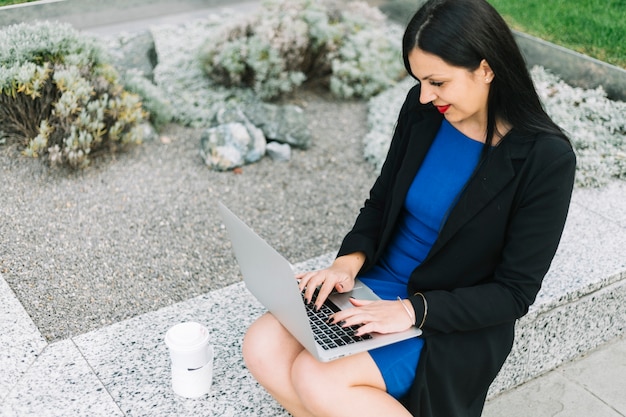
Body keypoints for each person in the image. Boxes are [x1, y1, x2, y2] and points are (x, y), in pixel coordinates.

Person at [242, 0, 576, 415]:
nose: (425, 94)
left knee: (317, 378)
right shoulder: (424, 112)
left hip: (448, 320)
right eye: (420, 80)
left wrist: (412, 311)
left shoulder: (545, 158)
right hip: (376, 283)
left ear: (486, 70)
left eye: (437, 81)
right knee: (261, 347)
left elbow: (514, 293)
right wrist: (347, 262)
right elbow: (383, 199)